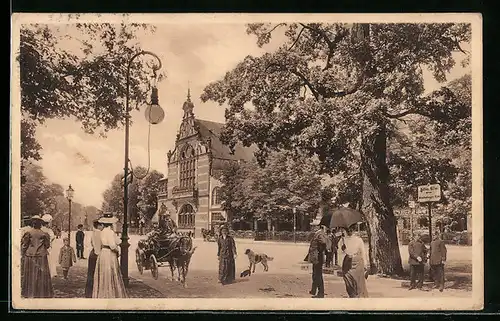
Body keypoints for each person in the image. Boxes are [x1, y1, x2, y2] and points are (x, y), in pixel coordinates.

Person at [92, 213, 128, 298]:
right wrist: (117, 250)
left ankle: (102, 293)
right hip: (109, 254)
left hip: (103, 253)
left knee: (104, 274)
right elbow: (112, 245)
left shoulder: (102, 232)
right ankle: (110, 294)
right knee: (111, 273)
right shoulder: (111, 232)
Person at [21, 215, 53, 298]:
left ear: (33, 223)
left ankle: (29, 292)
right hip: (41, 256)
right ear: (40, 224)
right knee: (41, 275)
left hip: (30, 256)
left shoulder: (28, 233)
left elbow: (25, 245)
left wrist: (23, 253)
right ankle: (41, 293)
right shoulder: (44, 234)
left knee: (30, 274)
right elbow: (47, 245)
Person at [341, 223, 369, 298]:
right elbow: (363, 252)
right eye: (348, 230)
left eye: (350, 230)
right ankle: (355, 296)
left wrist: (365, 265)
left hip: (355, 262)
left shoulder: (357, 240)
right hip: (350, 262)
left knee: (355, 282)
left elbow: (363, 252)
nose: (349, 231)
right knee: (352, 280)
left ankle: (356, 297)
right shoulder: (344, 240)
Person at [307, 223, 328, 298]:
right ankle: (314, 290)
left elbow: (324, 242)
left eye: (315, 226)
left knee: (318, 275)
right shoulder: (317, 233)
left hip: (318, 257)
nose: (313, 227)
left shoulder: (320, 234)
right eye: (312, 226)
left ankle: (320, 293)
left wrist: (320, 250)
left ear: (319, 226)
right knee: (315, 274)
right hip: (316, 257)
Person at [85, 219, 103, 298]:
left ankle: (89, 292)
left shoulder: (93, 233)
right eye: (101, 225)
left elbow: (92, 243)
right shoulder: (100, 233)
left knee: (90, 274)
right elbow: (99, 246)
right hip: (97, 254)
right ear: (99, 225)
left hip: (92, 254)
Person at [41, 214, 58, 278]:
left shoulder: (41, 229)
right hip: (48, 248)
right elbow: (51, 239)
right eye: (51, 222)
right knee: (49, 261)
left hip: (42, 249)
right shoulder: (49, 231)